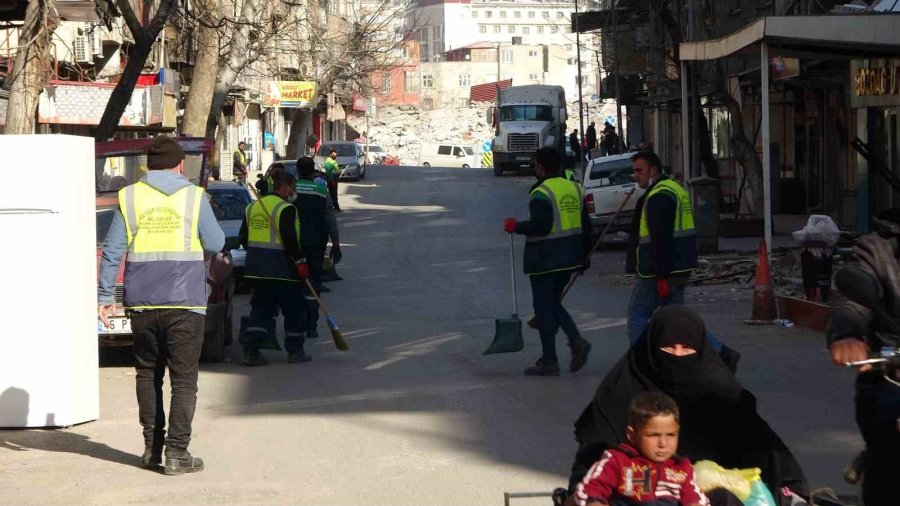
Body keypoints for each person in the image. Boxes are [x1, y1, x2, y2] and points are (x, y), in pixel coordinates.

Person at [568, 306, 808, 500]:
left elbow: (761, 446)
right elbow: (592, 458)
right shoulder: (622, 390)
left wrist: (790, 489)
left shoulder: (721, 391)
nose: (678, 355)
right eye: (668, 348)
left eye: (687, 348)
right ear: (651, 349)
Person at [98, 136, 225, 475]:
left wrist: (105, 298)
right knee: (184, 380)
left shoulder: (129, 196)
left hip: (142, 302)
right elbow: (216, 242)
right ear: (180, 164)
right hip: (186, 303)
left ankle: (152, 448)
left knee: (147, 374)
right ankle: (177, 453)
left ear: (148, 167)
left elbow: (112, 251)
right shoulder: (195, 197)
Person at [625, 152, 736, 367]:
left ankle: (640, 364)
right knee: (678, 323)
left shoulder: (659, 196)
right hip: (675, 268)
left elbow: (660, 239)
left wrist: (661, 276)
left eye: (639, 170)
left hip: (657, 271)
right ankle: (722, 353)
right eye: (634, 171)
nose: (635, 175)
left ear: (653, 171)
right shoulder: (673, 189)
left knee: (638, 315)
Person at [827, 208, 900, 506]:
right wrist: (847, 335)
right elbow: (852, 303)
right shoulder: (878, 248)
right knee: (889, 438)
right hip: (890, 366)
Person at [504, 147, 593, 376]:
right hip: (569, 257)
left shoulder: (541, 193)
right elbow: (586, 226)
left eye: (536, 165)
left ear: (540, 166)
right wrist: (585, 256)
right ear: (560, 166)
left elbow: (541, 227)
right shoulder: (574, 188)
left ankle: (549, 359)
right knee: (553, 304)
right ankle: (575, 341)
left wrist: (517, 226)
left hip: (545, 259)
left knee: (544, 309)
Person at [569, 391, 710, 506]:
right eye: (653, 435)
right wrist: (594, 502)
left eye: (671, 435)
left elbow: (695, 498)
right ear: (632, 435)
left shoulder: (681, 468)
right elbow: (589, 490)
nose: (663, 443)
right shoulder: (618, 461)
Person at [239, 171, 311, 366]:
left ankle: (251, 351)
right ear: (285, 187)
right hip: (283, 272)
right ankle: (295, 351)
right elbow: (290, 240)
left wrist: (257, 254)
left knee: (261, 311)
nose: (293, 192)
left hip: (256, 270)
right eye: (293, 189)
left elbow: (243, 239)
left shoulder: (252, 207)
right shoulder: (286, 209)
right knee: (294, 311)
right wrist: (301, 261)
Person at [293, 157, 341, 337]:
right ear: (313, 171)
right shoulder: (321, 190)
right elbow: (330, 217)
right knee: (313, 285)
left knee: (296, 284)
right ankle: (311, 325)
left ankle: (297, 321)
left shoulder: (291, 190)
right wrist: (335, 242)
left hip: (294, 246)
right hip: (316, 246)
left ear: (297, 171)